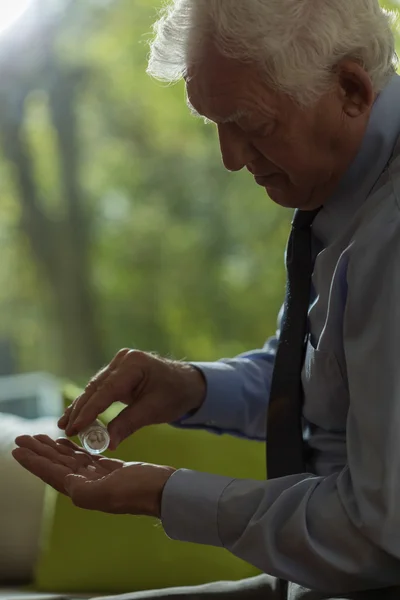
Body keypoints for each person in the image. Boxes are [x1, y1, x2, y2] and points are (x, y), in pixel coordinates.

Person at [11, 1, 400, 599]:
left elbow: (375, 539)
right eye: (215, 124)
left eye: (253, 125)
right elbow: (323, 374)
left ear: (350, 87)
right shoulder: (345, 193)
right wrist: (193, 386)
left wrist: (160, 493)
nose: (231, 158)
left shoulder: (391, 232)